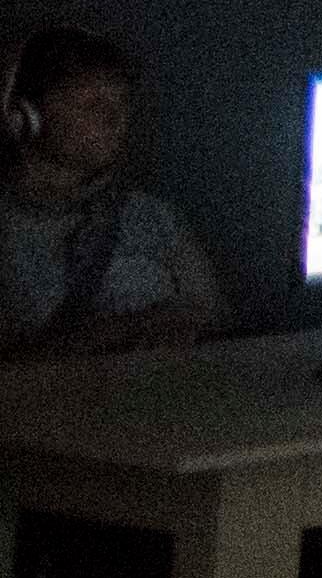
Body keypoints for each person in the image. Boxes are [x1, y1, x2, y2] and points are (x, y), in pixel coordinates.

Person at [4, 27, 222, 358]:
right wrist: (126, 329)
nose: (113, 118)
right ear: (26, 116)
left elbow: (215, 315)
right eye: (92, 104)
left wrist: (182, 324)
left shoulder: (150, 216)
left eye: (121, 103)